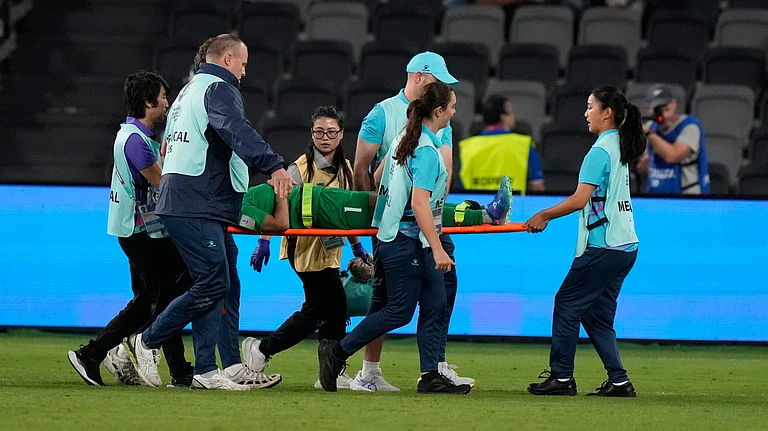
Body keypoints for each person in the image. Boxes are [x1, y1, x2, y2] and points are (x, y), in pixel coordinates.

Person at [124, 34, 293, 391]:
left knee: (224, 283)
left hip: (197, 200)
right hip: (197, 201)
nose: (245, 73)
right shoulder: (218, 88)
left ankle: (217, 367)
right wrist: (274, 166)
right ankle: (147, 341)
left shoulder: (188, 91)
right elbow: (236, 131)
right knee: (214, 282)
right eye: (243, 64)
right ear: (228, 59)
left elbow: (173, 145)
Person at [318, 82, 473, 395]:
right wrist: (439, 249)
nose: (455, 112)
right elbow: (419, 204)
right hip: (409, 241)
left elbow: (378, 179)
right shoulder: (428, 152)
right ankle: (337, 352)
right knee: (400, 310)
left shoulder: (405, 138)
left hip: (393, 237)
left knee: (436, 303)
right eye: (452, 107)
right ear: (439, 111)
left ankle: (430, 376)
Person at [67, 71, 194, 388]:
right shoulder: (136, 142)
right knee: (166, 297)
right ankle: (98, 354)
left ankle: (101, 354)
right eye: (163, 97)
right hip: (141, 234)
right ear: (149, 102)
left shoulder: (135, 136)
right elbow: (162, 187)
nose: (167, 103)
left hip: (138, 231)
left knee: (154, 300)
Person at [525, 86, 644, 398]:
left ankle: (561, 379)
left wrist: (545, 215)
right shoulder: (620, 145)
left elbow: (581, 200)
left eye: (590, 107)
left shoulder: (599, 152)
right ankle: (619, 382)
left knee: (566, 304)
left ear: (607, 113)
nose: (586, 113)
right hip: (625, 245)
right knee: (596, 316)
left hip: (603, 246)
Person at [458, 95, 545, 193]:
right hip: (514, 205)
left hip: (477, 206)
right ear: (503, 117)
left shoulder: (467, 146)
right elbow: (537, 187)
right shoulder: (524, 144)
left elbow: (462, 186)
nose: (514, 116)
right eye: (512, 113)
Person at [636, 84, 710, 195]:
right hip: (656, 196)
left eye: (667, 109)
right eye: (659, 112)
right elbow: (644, 166)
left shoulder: (690, 126)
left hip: (687, 197)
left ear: (674, 104)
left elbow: (673, 156)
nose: (664, 116)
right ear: (649, 109)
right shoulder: (651, 126)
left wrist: (649, 133)